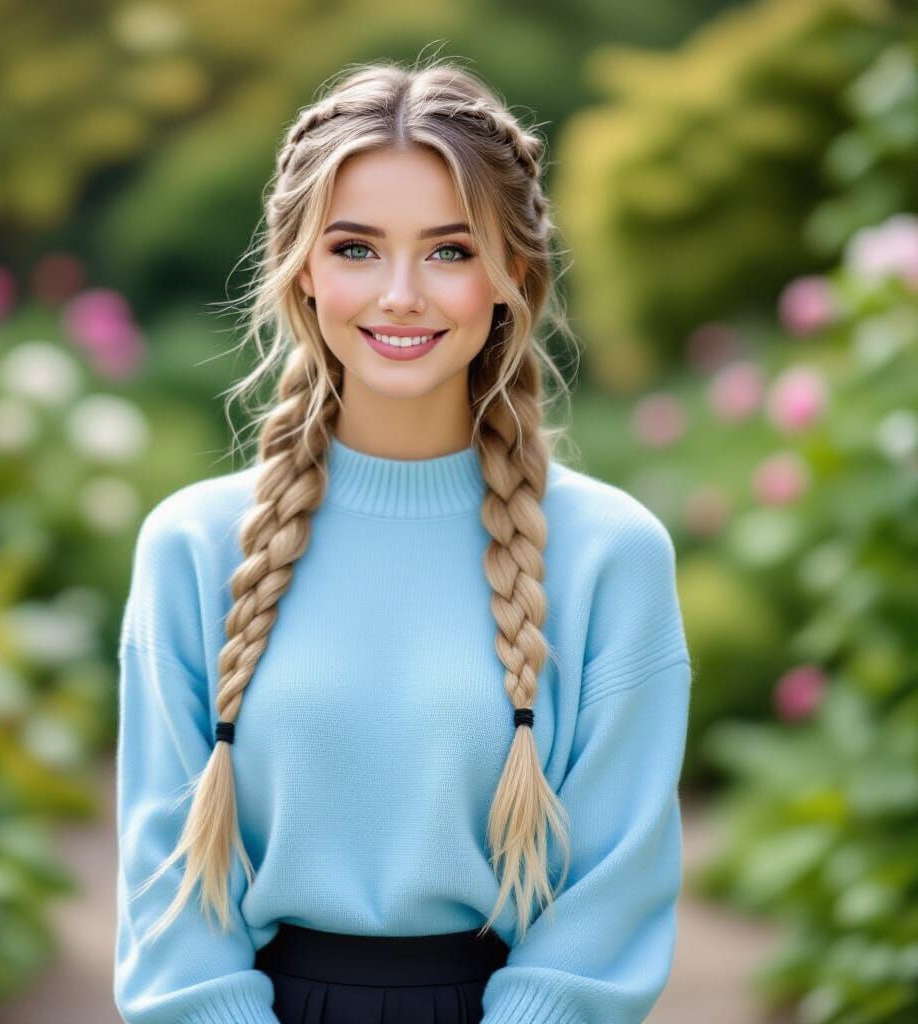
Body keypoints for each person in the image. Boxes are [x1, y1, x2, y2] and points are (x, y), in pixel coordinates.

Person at [113, 55, 693, 1024]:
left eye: (449, 251)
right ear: (301, 267)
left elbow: (613, 887)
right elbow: (165, 892)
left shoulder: (610, 554)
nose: (399, 294)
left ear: (513, 273)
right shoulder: (192, 545)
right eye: (354, 248)